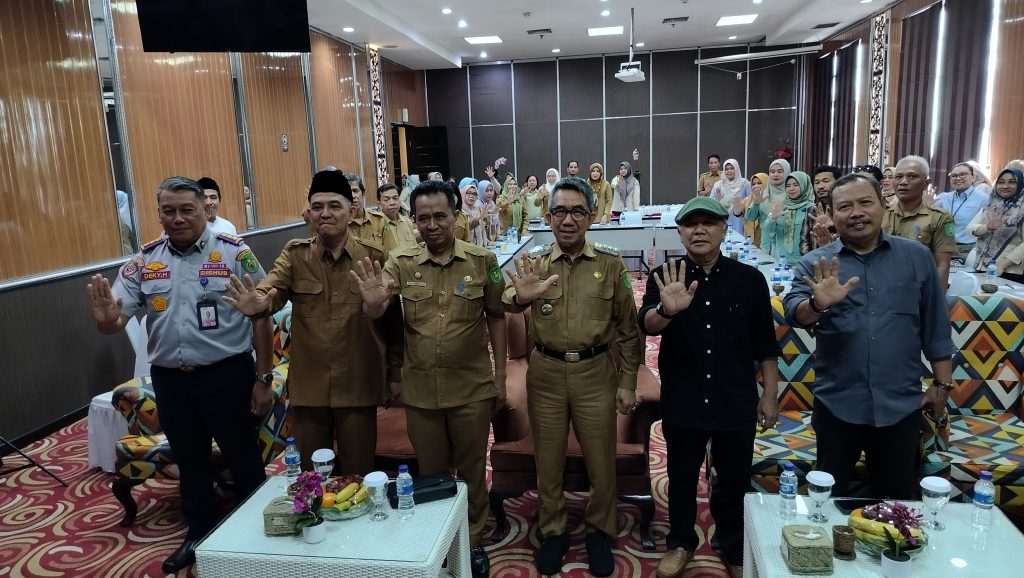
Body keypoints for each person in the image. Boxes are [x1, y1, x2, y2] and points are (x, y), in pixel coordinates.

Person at [86, 176, 274, 573]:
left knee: (243, 458)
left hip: (227, 376)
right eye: (168, 211)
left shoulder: (235, 255)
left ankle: (263, 536)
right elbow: (116, 319)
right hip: (172, 381)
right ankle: (200, 534)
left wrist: (263, 379)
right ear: (159, 214)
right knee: (190, 462)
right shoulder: (145, 261)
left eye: (186, 210)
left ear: (205, 210)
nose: (177, 218)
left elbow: (261, 314)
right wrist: (106, 321)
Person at [350, 179, 507, 578]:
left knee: (472, 469)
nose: (432, 225)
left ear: (455, 217)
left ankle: (471, 540)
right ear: (413, 221)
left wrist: (500, 377)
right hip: (421, 391)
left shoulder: (482, 260)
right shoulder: (401, 261)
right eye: (423, 218)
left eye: (440, 216)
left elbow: (497, 316)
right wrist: (371, 304)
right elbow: (378, 302)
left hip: (471, 388)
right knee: (433, 473)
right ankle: (440, 541)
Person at [784, 173, 955, 499]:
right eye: (844, 206)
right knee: (828, 500)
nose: (856, 213)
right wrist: (817, 303)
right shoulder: (816, 264)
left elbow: (936, 325)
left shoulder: (916, 258)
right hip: (837, 404)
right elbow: (794, 313)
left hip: (900, 405)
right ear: (832, 215)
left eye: (865, 202)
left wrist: (942, 384)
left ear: (882, 204)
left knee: (898, 502)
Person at [502, 176, 641, 577]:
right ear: (548, 216)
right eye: (559, 211)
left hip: (596, 372)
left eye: (577, 211)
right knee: (548, 461)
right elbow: (505, 302)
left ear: (592, 216)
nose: (567, 219)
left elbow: (629, 330)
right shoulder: (536, 261)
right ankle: (554, 529)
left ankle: (599, 530)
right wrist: (518, 298)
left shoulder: (611, 264)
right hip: (545, 373)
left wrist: (628, 380)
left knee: (601, 460)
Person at [223, 169, 403, 477]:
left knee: (358, 475)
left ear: (352, 211)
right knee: (311, 477)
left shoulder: (373, 257)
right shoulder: (295, 255)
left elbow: (392, 322)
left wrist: (395, 373)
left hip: (357, 384)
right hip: (310, 386)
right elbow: (270, 289)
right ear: (309, 212)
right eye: (317, 206)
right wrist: (260, 303)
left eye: (334, 206)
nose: (325, 214)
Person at [640, 196, 780, 578]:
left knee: (734, 478)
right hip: (683, 395)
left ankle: (732, 545)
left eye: (708, 223)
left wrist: (769, 394)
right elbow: (648, 324)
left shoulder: (749, 280)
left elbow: (765, 344)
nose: (698, 230)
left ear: (723, 228)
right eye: (690, 224)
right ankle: (681, 542)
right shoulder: (665, 275)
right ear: (680, 231)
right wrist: (668, 309)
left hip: (733, 397)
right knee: (681, 474)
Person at [883, 155, 956, 289]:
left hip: (919, 288)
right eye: (898, 177)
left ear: (925, 183)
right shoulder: (881, 214)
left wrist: (936, 303)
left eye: (912, 176)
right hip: (882, 286)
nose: (903, 182)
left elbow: (942, 265)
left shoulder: (940, 218)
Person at [968, 168, 1024, 283]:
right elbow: (969, 228)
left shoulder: (1022, 209)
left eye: (1012, 182)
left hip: (1009, 271)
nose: (1005, 186)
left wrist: (1002, 265)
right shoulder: (991, 203)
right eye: (1001, 182)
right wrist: (988, 227)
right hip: (982, 266)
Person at [933, 162, 989, 255]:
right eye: (954, 176)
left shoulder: (984, 199)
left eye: (963, 174)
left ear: (973, 177)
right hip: (944, 247)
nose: (958, 178)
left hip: (969, 249)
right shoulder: (943, 198)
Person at [370, 183, 419, 253]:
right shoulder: (375, 224)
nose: (392, 203)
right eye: (386, 200)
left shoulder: (407, 221)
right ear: (379, 204)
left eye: (395, 198)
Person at [745, 159, 791, 232]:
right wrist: (755, 204)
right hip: (766, 240)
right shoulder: (762, 194)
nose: (775, 174)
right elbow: (750, 218)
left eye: (780, 171)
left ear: (787, 173)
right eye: (772, 172)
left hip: (785, 240)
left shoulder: (792, 195)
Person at [709, 158, 751, 235]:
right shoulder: (718, 185)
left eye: (732, 168)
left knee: (739, 242)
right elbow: (710, 203)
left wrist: (740, 205)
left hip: (739, 220)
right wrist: (718, 201)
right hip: (722, 219)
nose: (729, 171)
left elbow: (750, 201)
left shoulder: (745, 184)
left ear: (737, 169)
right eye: (727, 169)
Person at [344, 173, 374, 239]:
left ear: (363, 193)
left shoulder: (379, 220)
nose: (352, 196)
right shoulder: (338, 226)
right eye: (347, 192)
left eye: (355, 191)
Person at [742, 173, 767, 246]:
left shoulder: (770, 200)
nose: (756, 186)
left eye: (759, 183)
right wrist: (736, 211)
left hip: (764, 239)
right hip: (750, 240)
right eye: (753, 184)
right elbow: (740, 213)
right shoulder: (748, 199)